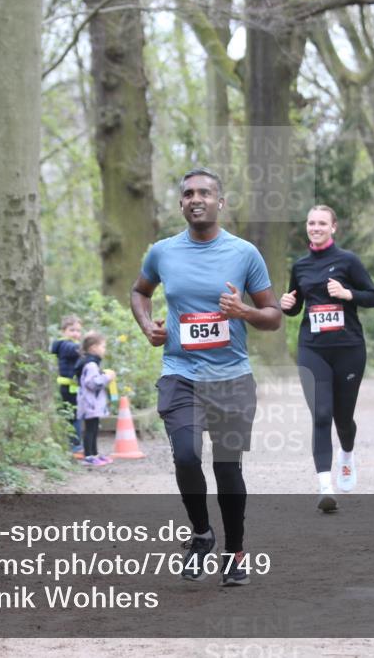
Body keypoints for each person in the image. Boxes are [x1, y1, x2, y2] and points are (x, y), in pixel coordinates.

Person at [131, 167, 281, 586]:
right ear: (181, 203)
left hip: (231, 377)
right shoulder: (162, 252)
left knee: (228, 468)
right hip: (180, 373)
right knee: (184, 456)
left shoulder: (244, 253)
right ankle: (201, 533)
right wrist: (148, 327)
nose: (196, 199)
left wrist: (244, 312)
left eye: (205, 193)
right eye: (188, 194)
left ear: (221, 202)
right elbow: (139, 291)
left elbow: (272, 317)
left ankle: (235, 553)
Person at [279, 205, 374, 513]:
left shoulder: (348, 261)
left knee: (342, 418)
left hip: (348, 348)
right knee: (321, 415)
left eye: (322, 223)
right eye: (311, 223)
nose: (316, 227)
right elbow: (296, 306)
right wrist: (287, 304)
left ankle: (346, 455)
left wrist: (348, 294)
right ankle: (325, 485)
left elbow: (373, 297)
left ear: (333, 227)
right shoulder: (301, 266)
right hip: (313, 349)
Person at [74, 331, 117, 467]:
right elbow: (92, 383)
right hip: (89, 403)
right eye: (103, 346)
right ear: (93, 348)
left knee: (94, 429)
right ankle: (89, 456)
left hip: (92, 404)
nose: (105, 350)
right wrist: (107, 377)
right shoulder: (90, 364)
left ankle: (95, 454)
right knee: (90, 430)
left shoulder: (91, 363)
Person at [51, 315, 84, 457]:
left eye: (78, 330)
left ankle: (74, 443)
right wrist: (90, 346)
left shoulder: (67, 344)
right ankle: (75, 446)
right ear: (63, 331)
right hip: (69, 387)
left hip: (71, 386)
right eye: (72, 330)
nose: (76, 333)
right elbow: (76, 350)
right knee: (75, 416)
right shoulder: (66, 345)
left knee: (73, 415)